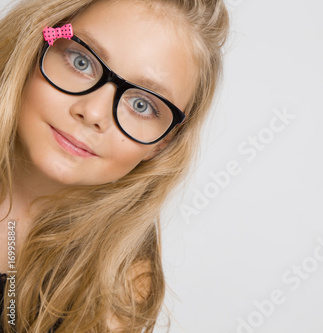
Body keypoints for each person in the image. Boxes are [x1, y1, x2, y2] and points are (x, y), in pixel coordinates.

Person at [0, 0, 229, 331]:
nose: (93, 113)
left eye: (141, 104)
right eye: (81, 61)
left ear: (163, 142)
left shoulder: (120, 286)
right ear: (38, 41)